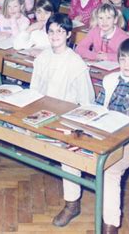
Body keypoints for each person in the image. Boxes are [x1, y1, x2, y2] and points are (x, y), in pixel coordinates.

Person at [54, 39, 129, 232]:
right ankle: (72, 204)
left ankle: (110, 226)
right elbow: (97, 108)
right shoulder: (110, 79)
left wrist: (114, 131)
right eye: (122, 59)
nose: (126, 64)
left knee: (109, 170)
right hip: (102, 134)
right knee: (69, 153)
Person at [30, 13, 94, 228]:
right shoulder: (43, 57)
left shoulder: (76, 63)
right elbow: (34, 90)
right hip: (45, 113)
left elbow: (86, 102)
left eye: (60, 31)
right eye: (51, 31)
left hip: (68, 117)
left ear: (68, 34)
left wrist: (78, 128)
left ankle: (72, 203)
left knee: (69, 155)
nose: (55, 35)